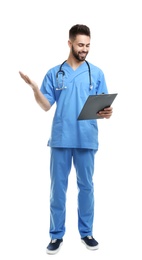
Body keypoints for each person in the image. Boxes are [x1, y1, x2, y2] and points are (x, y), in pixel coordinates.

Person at [19, 24, 113, 255]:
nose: (85, 49)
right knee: (57, 189)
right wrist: (34, 88)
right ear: (69, 43)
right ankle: (56, 235)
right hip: (61, 138)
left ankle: (86, 233)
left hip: (86, 138)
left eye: (88, 45)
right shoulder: (54, 73)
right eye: (81, 45)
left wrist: (108, 112)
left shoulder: (97, 73)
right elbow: (45, 105)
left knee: (86, 187)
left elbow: (103, 107)